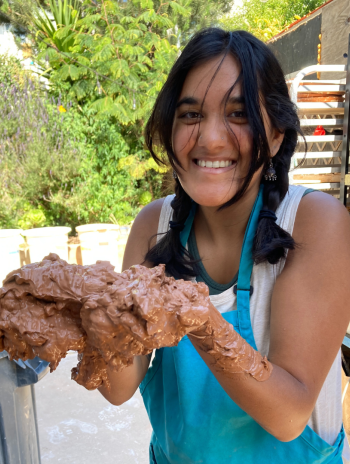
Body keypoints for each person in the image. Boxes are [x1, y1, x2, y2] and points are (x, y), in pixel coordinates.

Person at [98, 28, 350, 463]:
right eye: (191, 115)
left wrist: (194, 314)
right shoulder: (152, 226)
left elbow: (289, 416)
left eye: (238, 115)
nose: (211, 139)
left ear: (275, 136)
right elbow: (119, 388)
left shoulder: (315, 223)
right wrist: (99, 314)